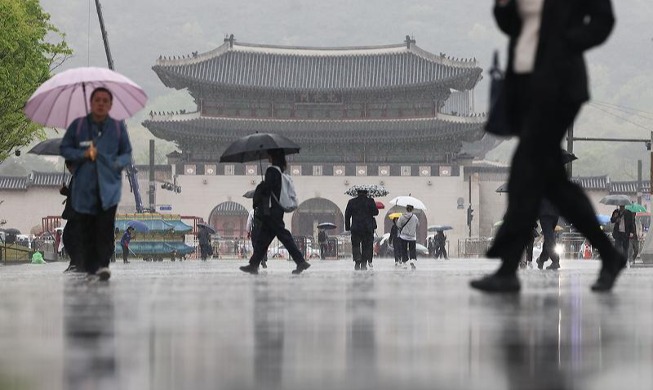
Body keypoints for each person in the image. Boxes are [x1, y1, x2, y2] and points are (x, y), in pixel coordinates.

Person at [471, 0, 624, 293]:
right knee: (552, 183)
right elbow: (512, 25)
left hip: (561, 85)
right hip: (527, 86)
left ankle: (507, 270)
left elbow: (602, 22)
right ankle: (609, 254)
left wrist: (566, 42)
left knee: (524, 172)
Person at [60, 87, 133, 281]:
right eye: (97, 100)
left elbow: (125, 153)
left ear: (110, 105)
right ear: (91, 104)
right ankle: (85, 263)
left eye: (105, 100)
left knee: (104, 227)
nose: (101, 104)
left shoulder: (117, 129)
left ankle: (102, 264)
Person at [239, 149, 311, 275]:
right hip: (277, 210)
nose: (268, 157)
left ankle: (300, 261)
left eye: (269, 155)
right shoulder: (280, 172)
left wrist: (261, 186)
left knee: (284, 236)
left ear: (273, 157)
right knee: (263, 239)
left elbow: (267, 190)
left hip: (271, 211)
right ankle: (254, 264)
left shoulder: (271, 171)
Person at [344, 189, 379, 270]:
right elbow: (376, 212)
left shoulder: (352, 202)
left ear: (357, 193)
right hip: (367, 228)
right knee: (366, 246)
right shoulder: (370, 201)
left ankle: (357, 260)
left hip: (356, 228)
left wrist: (348, 227)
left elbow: (347, 215)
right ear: (366, 193)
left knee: (355, 245)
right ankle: (364, 262)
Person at [536, 199, 561, 270]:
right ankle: (541, 259)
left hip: (545, 213)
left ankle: (555, 260)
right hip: (555, 213)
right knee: (549, 236)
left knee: (549, 237)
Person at [396, 205, 419, 269]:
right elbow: (417, 225)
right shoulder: (415, 217)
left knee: (404, 249)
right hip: (412, 236)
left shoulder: (402, 217)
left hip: (403, 236)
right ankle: (412, 260)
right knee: (412, 249)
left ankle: (404, 262)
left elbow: (398, 225)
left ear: (406, 209)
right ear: (412, 209)